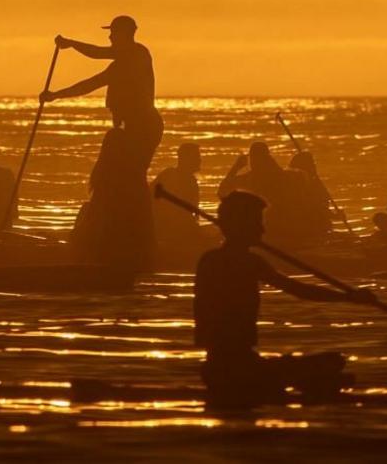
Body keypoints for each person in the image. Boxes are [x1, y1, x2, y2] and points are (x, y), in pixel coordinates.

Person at [194, 191, 373, 407]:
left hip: (225, 365)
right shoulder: (243, 262)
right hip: (230, 366)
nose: (262, 230)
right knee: (330, 366)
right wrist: (349, 297)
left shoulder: (220, 260)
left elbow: (296, 289)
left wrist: (349, 297)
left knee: (332, 364)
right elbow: (298, 289)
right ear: (240, 225)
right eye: (256, 222)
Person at [44, 15, 161, 271]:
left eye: (113, 33)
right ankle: (121, 233)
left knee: (131, 180)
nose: (109, 37)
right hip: (128, 129)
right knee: (123, 181)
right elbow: (90, 84)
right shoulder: (120, 64)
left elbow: (97, 54)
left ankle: (135, 238)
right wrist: (55, 96)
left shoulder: (137, 55)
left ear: (124, 33)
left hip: (142, 128)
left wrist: (71, 44)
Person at [154, 143, 206, 257]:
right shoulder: (171, 176)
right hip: (173, 231)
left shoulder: (170, 174)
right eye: (197, 157)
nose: (200, 160)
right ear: (187, 159)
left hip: (171, 229)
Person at [283, 152, 336, 244]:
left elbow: (322, 207)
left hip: (318, 228)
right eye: (312, 164)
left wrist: (334, 215)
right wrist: (333, 216)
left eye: (314, 163)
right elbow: (314, 209)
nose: (314, 166)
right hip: (307, 230)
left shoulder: (315, 183)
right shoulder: (298, 186)